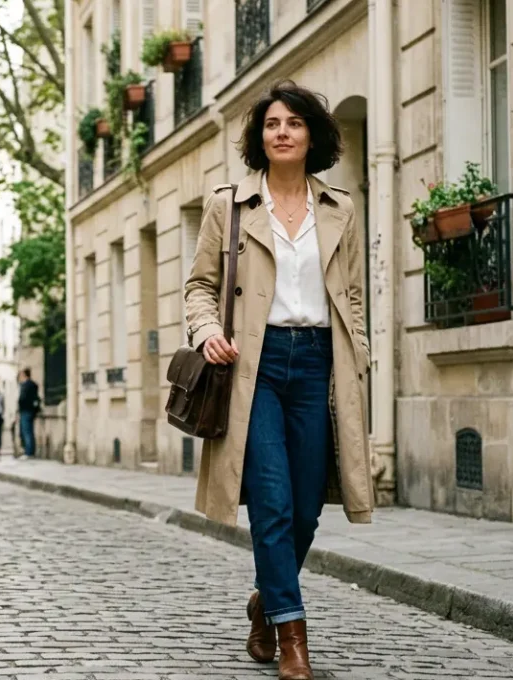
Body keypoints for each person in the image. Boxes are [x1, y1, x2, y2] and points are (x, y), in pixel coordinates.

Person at [184, 81, 372, 680]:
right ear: (259, 138)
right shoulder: (229, 205)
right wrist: (206, 330)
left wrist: (359, 351)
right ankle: (294, 639)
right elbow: (199, 286)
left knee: (310, 504)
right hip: (252, 366)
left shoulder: (340, 206)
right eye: (271, 124)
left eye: (293, 123)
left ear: (311, 134)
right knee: (271, 501)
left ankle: (266, 602)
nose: (282, 131)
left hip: (319, 361)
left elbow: (353, 296)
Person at [16, 368, 41, 459]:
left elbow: (22, 399)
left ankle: (29, 452)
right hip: (32, 411)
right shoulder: (34, 384)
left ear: (24, 375)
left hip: (25, 410)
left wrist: (19, 408)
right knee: (29, 431)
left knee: (26, 432)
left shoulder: (25, 385)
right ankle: (30, 451)